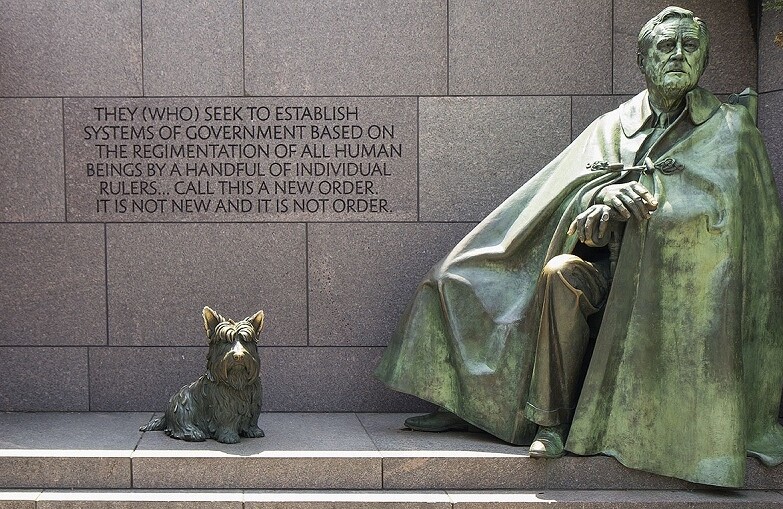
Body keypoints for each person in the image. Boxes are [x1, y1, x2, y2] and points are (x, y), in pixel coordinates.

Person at [375, 6, 783, 487]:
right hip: (606, 271)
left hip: (676, 291)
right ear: (644, 60)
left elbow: (746, 236)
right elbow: (565, 196)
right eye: (665, 47)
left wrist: (659, 208)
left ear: (705, 59)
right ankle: (533, 417)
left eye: (689, 46)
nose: (677, 55)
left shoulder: (731, 131)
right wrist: (600, 199)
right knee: (486, 276)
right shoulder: (612, 127)